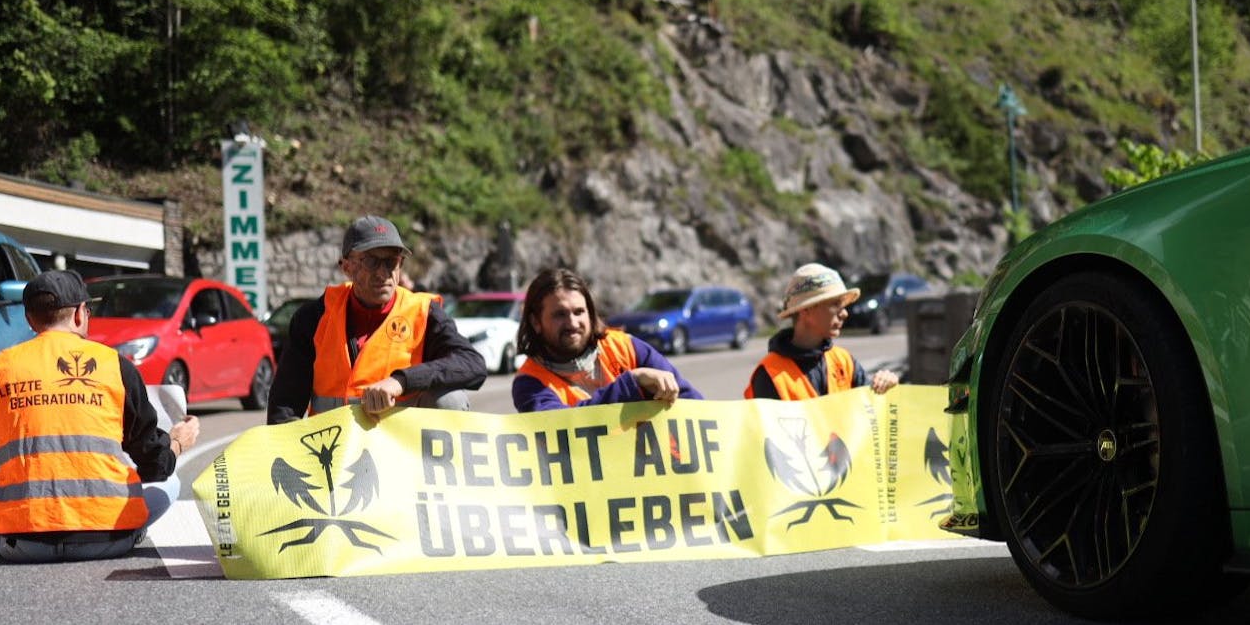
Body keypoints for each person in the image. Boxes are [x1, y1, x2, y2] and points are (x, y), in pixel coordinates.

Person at [0, 270, 201, 561]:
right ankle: (134, 530)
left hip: (24, 543)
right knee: (171, 480)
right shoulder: (115, 366)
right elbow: (155, 464)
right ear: (80, 314)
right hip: (111, 537)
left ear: (30, 319)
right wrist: (177, 443)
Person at [267, 216, 487, 425]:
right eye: (371, 262)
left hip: (401, 450)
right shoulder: (314, 316)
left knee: (451, 400)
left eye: (391, 262)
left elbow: (473, 364)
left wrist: (401, 381)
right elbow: (285, 404)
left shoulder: (424, 313)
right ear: (346, 267)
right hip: (334, 450)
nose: (383, 273)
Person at [512, 267, 703, 411]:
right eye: (559, 314)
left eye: (579, 312)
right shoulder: (529, 382)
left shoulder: (624, 346)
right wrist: (632, 383)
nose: (572, 323)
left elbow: (692, 402)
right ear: (536, 322)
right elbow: (565, 429)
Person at [745, 263, 900, 400]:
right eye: (835, 304)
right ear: (806, 310)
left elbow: (872, 414)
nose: (845, 313)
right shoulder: (770, 374)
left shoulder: (843, 361)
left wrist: (885, 386)